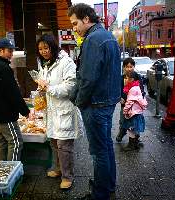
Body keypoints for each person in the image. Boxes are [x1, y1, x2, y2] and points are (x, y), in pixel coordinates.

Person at [68, 4, 121, 200]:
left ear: (86, 19)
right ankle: (108, 185)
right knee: (106, 146)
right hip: (107, 102)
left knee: (99, 151)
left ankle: (100, 193)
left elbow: (87, 78)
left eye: (75, 23)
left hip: (96, 104)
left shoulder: (92, 40)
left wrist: (79, 101)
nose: (74, 28)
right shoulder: (108, 36)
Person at [35, 34, 85, 189]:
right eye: (40, 49)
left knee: (64, 146)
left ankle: (67, 176)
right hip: (51, 110)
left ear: (53, 46)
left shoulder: (66, 62)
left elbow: (70, 86)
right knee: (54, 143)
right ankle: (58, 169)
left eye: (46, 48)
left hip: (64, 110)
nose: (43, 51)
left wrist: (48, 88)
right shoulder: (45, 64)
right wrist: (41, 90)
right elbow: (44, 84)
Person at [0, 38, 30, 161]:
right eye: (9, 51)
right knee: (15, 142)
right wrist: (25, 110)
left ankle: (3, 169)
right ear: (0, 50)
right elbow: (13, 93)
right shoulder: (3, 67)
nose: (11, 54)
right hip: (5, 113)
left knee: (2, 141)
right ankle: (11, 172)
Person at [116, 57, 145, 144]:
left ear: (134, 67)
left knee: (135, 122)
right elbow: (117, 90)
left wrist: (139, 99)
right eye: (127, 67)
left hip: (136, 106)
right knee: (123, 120)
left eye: (131, 66)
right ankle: (121, 133)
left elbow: (142, 90)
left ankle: (135, 138)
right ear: (124, 67)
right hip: (124, 105)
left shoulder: (137, 76)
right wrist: (120, 98)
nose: (129, 69)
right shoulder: (121, 78)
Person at [122, 73, 147, 151]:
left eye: (128, 78)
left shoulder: (132, 89)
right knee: (135, 128)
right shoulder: (137, 87)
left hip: (133, 113)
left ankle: (131, 145)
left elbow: (129, 102)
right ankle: (136, 143)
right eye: (126, 78)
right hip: (137, 112)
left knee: (131, 129)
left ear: (133, 80)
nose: (126, 80)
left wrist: (125, 110)